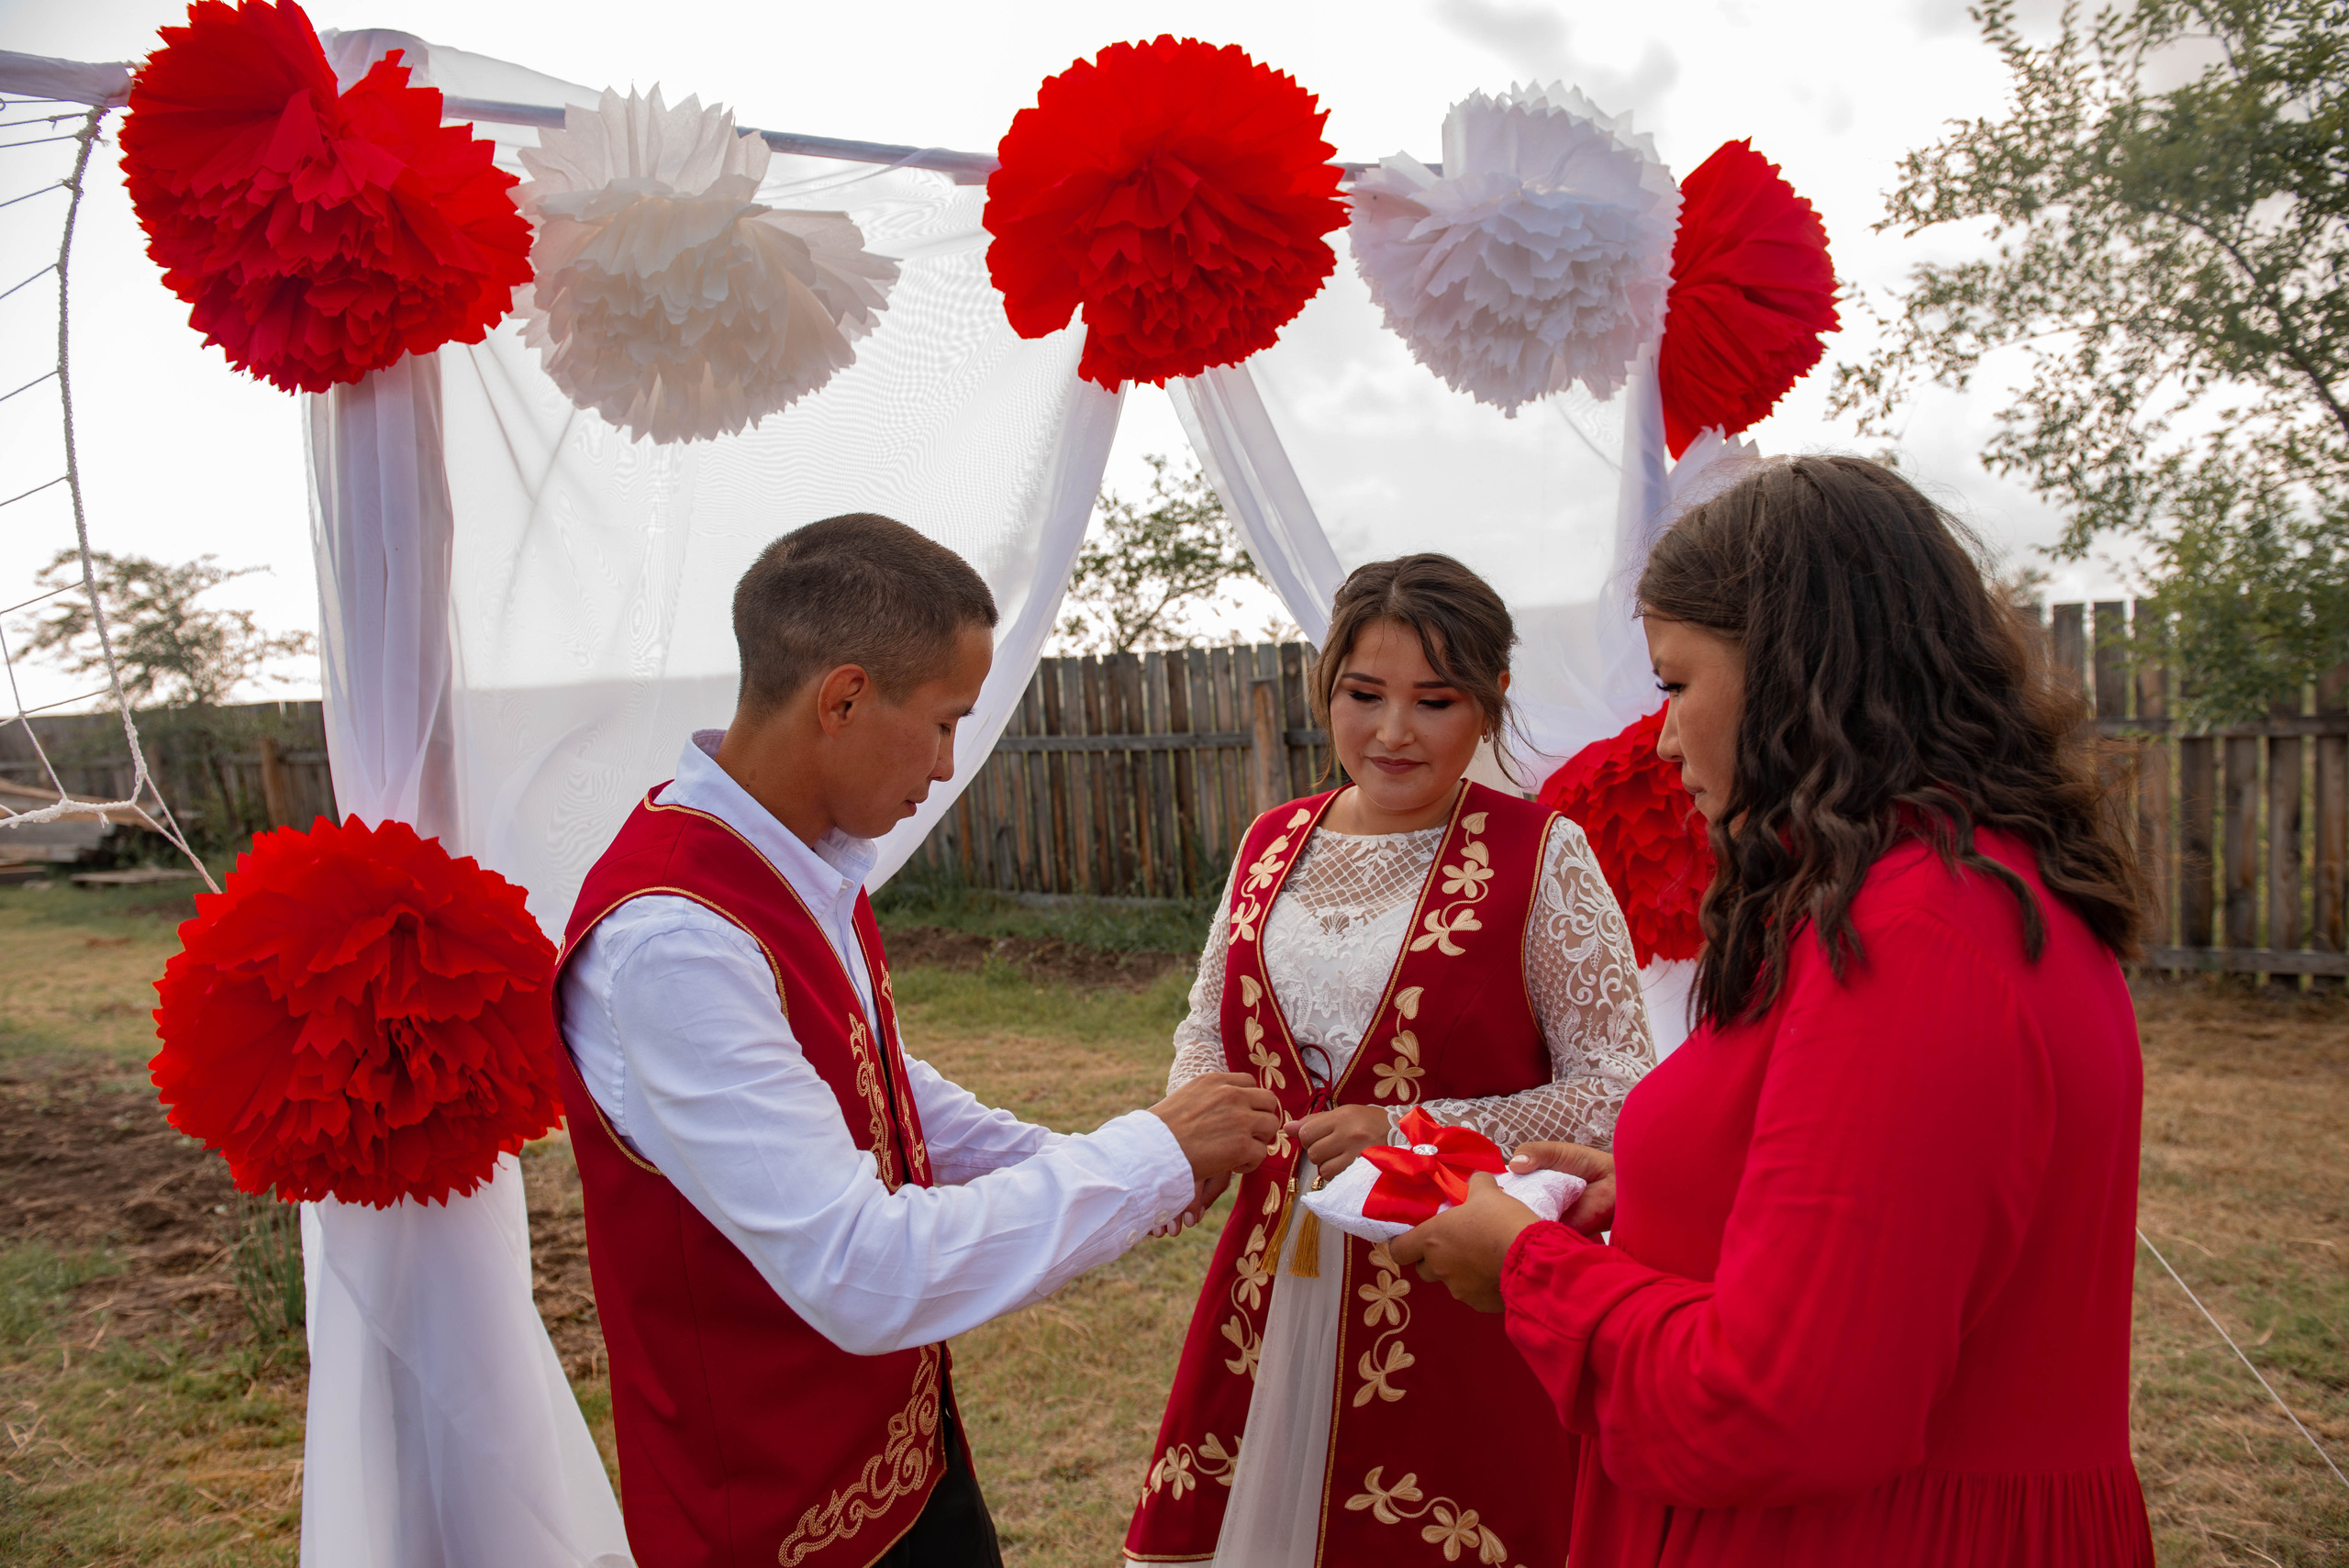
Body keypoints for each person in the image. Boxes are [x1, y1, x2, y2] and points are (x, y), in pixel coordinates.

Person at [1391, 457, 2158, 1566]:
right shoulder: (1955, 888)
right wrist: (1653, 1196)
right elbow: (1889, 1223)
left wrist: (1524, 1264)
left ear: (1797, 675)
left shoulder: (1912, 940)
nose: (1659, 739)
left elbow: (1779, 1401)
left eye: (1674, 684)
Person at [553, 514, 1283, 1568]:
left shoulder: (797, 859)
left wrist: (1101, 1162)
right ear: (843, 697)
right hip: (777, 1518)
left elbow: (875, 1077)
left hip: (900, 1457)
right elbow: (861, 1268)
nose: (947, 767)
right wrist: (1146, 1155)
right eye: (944, 722)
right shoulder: (675, 943)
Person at [1124, 554, 1659, 1568]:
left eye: (1435, 699)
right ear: (1324, 690)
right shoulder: (1269, 842)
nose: (1393, 731)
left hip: (1458, 1278)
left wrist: (1409, 1128)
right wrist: (1194, 1120)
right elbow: (1207, 1021)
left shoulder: (1542, 853)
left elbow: (1618, 1089)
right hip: (1270, 1268)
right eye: (1363, 695)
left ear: (1490, 705)